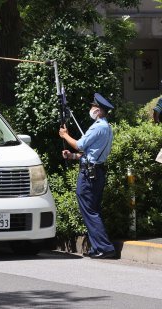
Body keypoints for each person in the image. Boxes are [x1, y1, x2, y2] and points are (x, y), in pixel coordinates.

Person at [59, 93, 116, 259]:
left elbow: (80, 145)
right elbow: (90, 153)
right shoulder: (106, 127)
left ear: (98, 111)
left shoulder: (98, 126)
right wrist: (72, 156)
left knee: (89, 210)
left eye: (93, 107)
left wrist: (65, 135)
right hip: (96, 171)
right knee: (93, 209)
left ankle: (105, 247)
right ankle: (97, 247)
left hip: (89, 174)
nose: (90, 109)